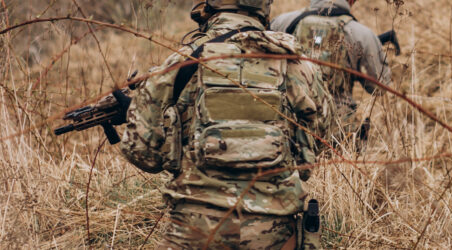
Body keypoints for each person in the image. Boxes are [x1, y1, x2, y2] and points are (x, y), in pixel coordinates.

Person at [114, 0, 324, 248]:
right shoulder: (297, 64)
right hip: (272, 231)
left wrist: (159, 126)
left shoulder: (181, 63)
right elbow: (319, 140)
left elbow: (143, 154)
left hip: (194, 229)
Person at [270, 0, 393, 149]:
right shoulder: (362, 33)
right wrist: (357, 65)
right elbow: (379, 86)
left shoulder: (282, 22)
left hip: (290, 126)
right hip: (338, 133)